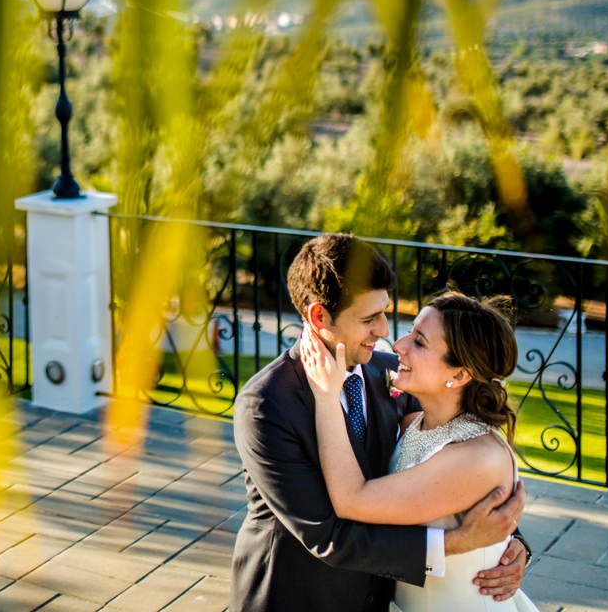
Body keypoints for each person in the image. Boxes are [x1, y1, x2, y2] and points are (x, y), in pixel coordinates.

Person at [230, 234, 529, 612]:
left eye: (386, 311)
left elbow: (452, 469)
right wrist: (461, 541)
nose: (387, 331)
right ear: (320, 316)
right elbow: (329, 537)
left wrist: (506, 541)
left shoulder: (392, 374)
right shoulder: (267, 405)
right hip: (300, 597)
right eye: (370, 318)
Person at [299, 289, 540, 612]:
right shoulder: (416, 421)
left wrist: (328, 398)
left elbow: (351, 500)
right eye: (411, 332)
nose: (398, 345)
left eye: (420, 342)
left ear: (459, 375)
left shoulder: (477, 457)